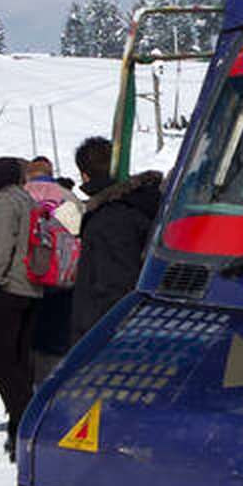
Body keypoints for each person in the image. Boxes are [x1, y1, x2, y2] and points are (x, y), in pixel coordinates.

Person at [0, 156, 40, 461]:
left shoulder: (4, 202)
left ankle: (27, 424)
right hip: (32, 286)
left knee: (1, 363)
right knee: (21, 361)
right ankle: (20, 428)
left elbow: (1, 249)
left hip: (9, 288)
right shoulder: (26, 198)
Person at [71, 135, 162, 344]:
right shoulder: (142, 202)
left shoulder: (109, 219)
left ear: (85, 176)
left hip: (107, 337)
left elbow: (114, 287)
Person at [23, 158, 82, 387]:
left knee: (32, 334)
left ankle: (34, 383)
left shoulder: (22, 195)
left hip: (31, 276)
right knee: (58, 333)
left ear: (29, 175)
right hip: (63, 277)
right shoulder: (67, 196)